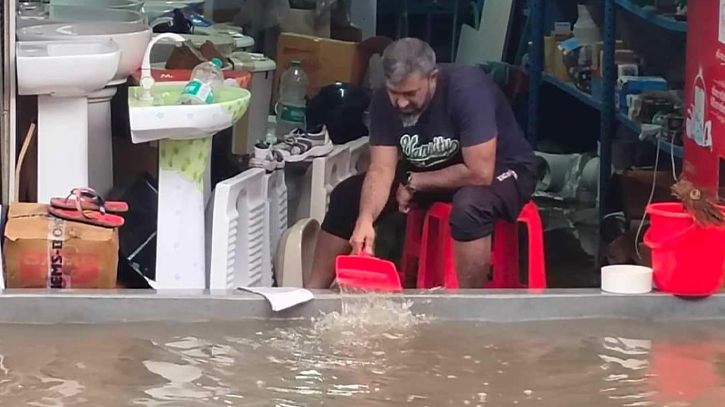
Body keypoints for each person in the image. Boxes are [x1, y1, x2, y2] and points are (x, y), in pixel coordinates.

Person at [305, 38, 537, 289]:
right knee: (346, 195)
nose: (402, 103)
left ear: (432, 77)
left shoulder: (467, 90)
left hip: (501, 169)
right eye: (395, 93)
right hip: (436, 168)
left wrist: (418, 183)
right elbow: (382, 169)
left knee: (469, 207)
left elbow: (479, 173)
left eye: (410, 93)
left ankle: (470, 308)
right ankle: (311, 295)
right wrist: (365, 219)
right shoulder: (384, 102)